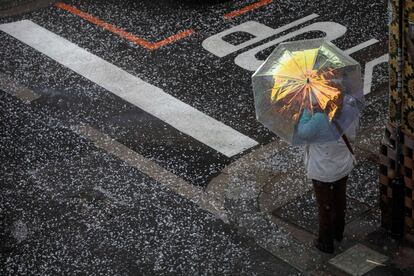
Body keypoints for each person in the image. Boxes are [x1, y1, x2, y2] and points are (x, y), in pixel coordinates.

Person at [296, 107, 358, 254]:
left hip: (322, 169)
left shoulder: (318, 118)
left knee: (325, 207)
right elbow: (353, 134)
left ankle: (325, 243)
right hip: (342, 165)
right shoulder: (349, 110)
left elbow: (302, 133)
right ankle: (338, 233)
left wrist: (306, 113)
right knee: (339, 199)